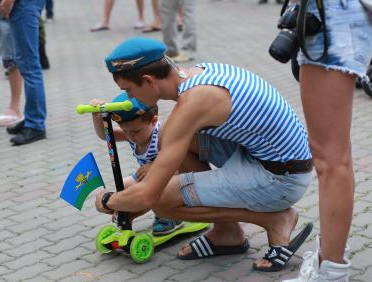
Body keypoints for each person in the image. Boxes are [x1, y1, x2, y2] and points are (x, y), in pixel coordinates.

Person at [95, 37, 314, 270]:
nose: (129, 98)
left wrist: (111, 201)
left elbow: (147, 196)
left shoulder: (194, 101)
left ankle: (274, 219)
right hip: (274, 158)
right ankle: (226, 232)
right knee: (169, 136)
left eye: (128, 90)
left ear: (148, 80)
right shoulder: (201, 73)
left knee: (162, 202)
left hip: (281, 179)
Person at [280, 0, 372, 282]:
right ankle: (330, 267)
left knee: (330, 160)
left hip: (330, 15)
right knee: (334, 158)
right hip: (334, 15)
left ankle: (331, 272)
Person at [90, 93, 183, 235]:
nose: (130, 136)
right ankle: (128, 214)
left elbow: (181, 161)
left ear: (153, 121)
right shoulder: (131, 134)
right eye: (125, 131)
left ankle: (169, 216)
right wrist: (96, 117)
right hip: (144, 177)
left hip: (171, 176)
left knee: (147, 189)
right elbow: (105, 135)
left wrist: (154, 167)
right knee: (120, 189)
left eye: (136, 131)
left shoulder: (162, 134)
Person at [0, 0, 47, 146]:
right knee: (27, 63)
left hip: (24, 4)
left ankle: (36, 124)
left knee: (29, 64)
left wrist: (8, 1)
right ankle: (32, 117)